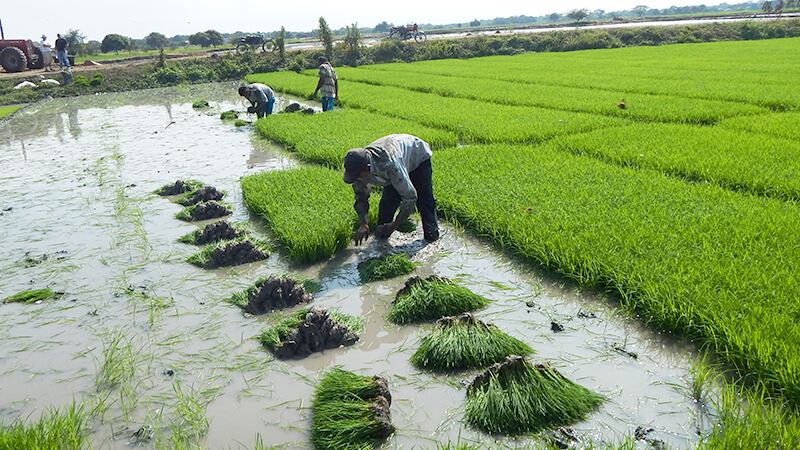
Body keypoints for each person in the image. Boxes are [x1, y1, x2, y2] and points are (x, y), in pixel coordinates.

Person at [343, 134, 440, 245]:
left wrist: (394, 225)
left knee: (424, 200)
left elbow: (410, 197)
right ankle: (381, 242)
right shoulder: (357, 169)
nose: (357, 179)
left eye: (358, 175)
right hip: (397, 161)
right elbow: (361, 198)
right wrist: (363, 224)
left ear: (367, 168)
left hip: (417, 156)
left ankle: (432, 238)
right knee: (387, 203)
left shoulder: (389, 166)